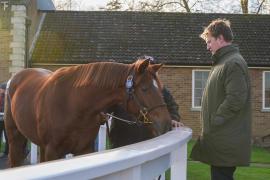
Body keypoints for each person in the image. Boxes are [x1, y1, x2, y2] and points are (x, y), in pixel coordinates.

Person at [190, 19, 252, 180]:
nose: (207, 46)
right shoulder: (222, 62)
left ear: (221, 38)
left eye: (209, 41)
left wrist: (215, 120)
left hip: (225, 139)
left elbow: (236, 99)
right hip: (220, 138)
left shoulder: (233, 63)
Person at [108, 56, 183, 148]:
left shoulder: (161, 91)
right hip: (122, 139)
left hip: (148, 140)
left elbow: (172, 107)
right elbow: (109, 106)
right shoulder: (122, 88)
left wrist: (173, 119)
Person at [0, 82, 9, 158]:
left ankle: (7, 152)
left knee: (8, 137)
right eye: (2, 89)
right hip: (0, 120)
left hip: (6, 120)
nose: (3, 91)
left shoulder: (8, 97)